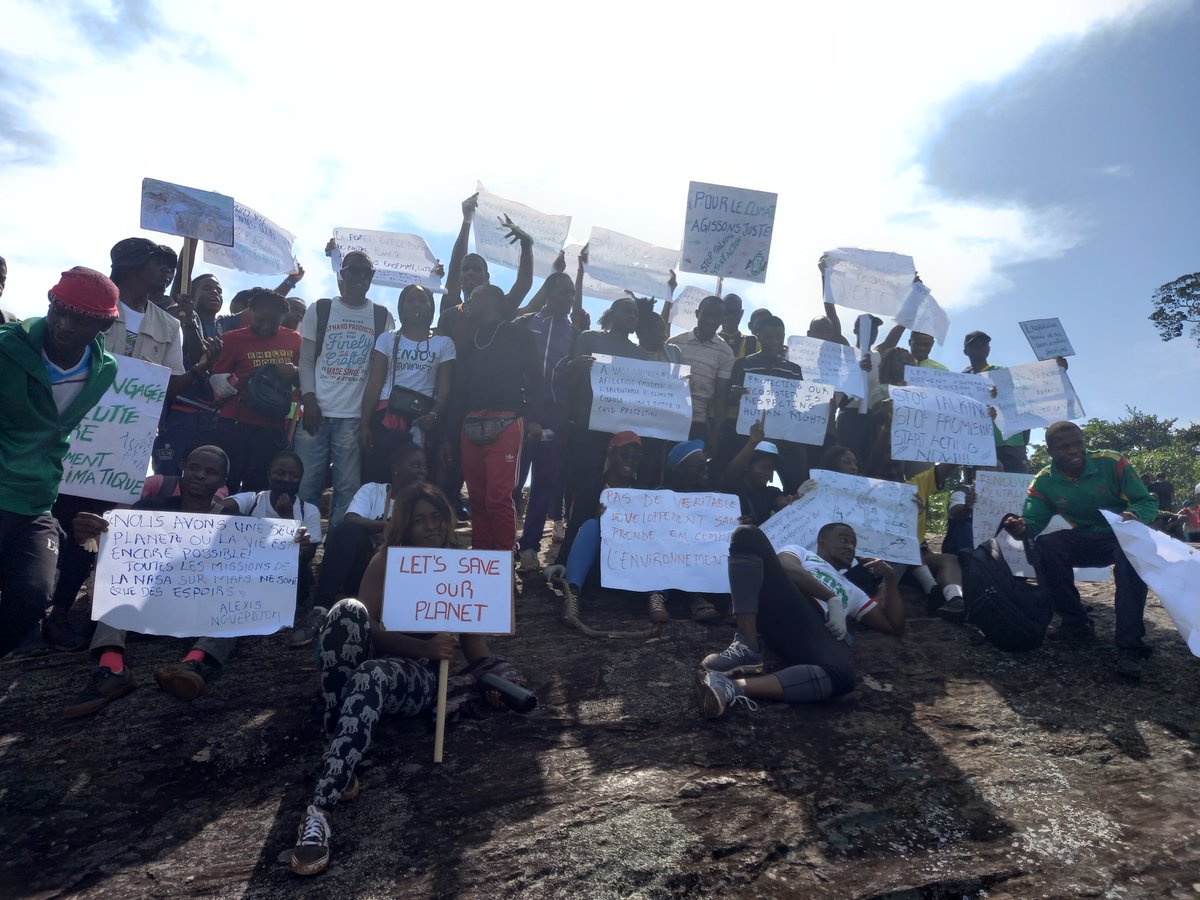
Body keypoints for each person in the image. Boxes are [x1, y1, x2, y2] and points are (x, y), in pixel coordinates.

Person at [288, 483, 527, 876]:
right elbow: (369, 630)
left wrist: (495, 676)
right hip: (382, 665)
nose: (430, 527)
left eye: (436, 517)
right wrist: (425, 646)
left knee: (371, 674)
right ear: (406, 526)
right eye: (420, 520)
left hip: (418, 682)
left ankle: (320, 805)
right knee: (346, 611)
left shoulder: (461, 563)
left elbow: (473, 646)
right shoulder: (388, 560)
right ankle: (341, 738)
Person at [44, 243, 219, 649]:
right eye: (160, 264)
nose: (167, 272)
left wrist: (199, 370)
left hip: (122, 445)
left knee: (94, 528)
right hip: (69, 431)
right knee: (49, 516)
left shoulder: (168, 324)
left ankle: (60, 612)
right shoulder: (92, 305)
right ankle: (32, 597)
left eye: (170, 266)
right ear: (131, 265)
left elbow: (168, 387)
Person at [62, 446, 244, 716]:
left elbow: (252, 569)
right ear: (182, 467)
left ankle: (194, 664)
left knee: (241, 600)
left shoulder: (234, 522)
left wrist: (291, 546)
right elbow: (110, 551)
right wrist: (87, 534)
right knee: (117, 583)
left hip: (199, 611)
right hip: (146, 608)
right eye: (194, 467)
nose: (200, 475)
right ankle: (112, 668)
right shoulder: (147, 509)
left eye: (210, 472)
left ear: (222, 481)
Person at [0, 267, 119, 657]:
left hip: (37, 503)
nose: (64, 325)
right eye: (58, 311)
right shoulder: (5, 349)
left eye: (80, 318)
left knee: (33, 597)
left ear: (102, 325)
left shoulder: (105, 371)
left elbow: (57, 431)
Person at [697, 522, 903, 718]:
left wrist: (891, 579)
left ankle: (729, 687)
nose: (850, 547)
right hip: (781, 603)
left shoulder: (854, 591)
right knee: (747, 534)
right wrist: (831, 598)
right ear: (822, 541)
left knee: (844, 677)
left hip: (811, 631)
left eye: (853, 543)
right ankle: (748, 646)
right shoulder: (802, 553)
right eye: (844, 539)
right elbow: (786, 567)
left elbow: (893, 625)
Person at [1002, 421, 1159, 677]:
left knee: (1129, 559)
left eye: (1077, 444)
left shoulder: (1112, 462)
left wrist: (1134, 513)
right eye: (1064, 447)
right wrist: (1021, 527)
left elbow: (1147, 501)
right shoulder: (1044, 481)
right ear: (1050, 451)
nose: (1073, 451)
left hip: (1123, 536)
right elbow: (1034, 522)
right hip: (1087, 538)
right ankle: (1077, 624)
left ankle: (1129, 644)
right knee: (1044, 547)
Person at [296, 251, 395, 528]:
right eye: (354, 270)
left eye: (366, 272)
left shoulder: (382, 317)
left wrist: (368, 419)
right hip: (316, 412)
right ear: (343, 273)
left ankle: (335, 554)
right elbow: (305, 360)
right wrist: (309, 398)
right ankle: (305, 548)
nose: (360, 277)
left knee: (348, 490)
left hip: (354, 418)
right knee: (306, 486)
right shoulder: (321, 308)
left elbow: (382, 370)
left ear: (372, 277)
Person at [305, 436, 429, 645]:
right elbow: (351, 518)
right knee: (346, 532)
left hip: (399, 577)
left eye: (425, 467)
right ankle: (320, 609)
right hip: (364, 569)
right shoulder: (373, 490)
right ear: (396, 468)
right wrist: (387, 527)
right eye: (416, 465)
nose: (422, 471)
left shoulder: (425, 503)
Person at [448, 284, 544, 552]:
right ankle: (481, 564)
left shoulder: (518, 334)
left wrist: (535, 419)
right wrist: (452, 432)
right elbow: (460, 390)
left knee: (498, 498)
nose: (468, 302)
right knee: (477, 498)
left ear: (491, 300)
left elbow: (536, 379)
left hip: (508, 420)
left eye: (474, 296)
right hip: (470, 424)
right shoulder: (469, 342)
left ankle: (502, 569)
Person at [513, 271, 580, 572]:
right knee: (512, 482)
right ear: (549, 291)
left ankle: (529, 548)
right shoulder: (525, 323)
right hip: (521, 412)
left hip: (556, 415)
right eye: (563, 292)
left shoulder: (576, 335)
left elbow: (576, 381)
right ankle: (502, 543)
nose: (567, 299)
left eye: (571, 294)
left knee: (545, 483)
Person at [543, 432, 646, 626]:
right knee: (591, 525)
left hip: (632, 562)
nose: (629, 461)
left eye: (635, 457)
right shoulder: (590, 487)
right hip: (598, 565)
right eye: (624, 454)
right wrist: (561, 561)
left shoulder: (643, 490)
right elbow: (575, 526)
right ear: (611, 454)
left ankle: (656, 596)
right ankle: (572, 594)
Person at [208, 288, 301, 494]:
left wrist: (295, 371)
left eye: (273, 322)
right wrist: (216, 380)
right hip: (235, 421)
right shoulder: (233, 338)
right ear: (251, 311)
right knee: (226, 483)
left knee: (260, 486)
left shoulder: (295, 339)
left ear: (283, 318)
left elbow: (304, 378)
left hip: (272, 424)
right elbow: (219, 373)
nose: (266, 326)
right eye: (260, 320)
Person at [221, 449, 322, 636]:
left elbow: (307, 556)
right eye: (280, 473)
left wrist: (288, 519)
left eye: (294, 475)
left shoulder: (309, 511)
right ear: (269, 475)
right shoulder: (253, 500)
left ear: (301, 478)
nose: (286, 479)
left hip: (289, 578)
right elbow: (221, 510)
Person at [716, 314, 808, 493]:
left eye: (779, 337)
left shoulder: (794, 369)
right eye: (769, 337)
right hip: (749, 437)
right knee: (744, 481)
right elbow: (730, 399)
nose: (775, 341)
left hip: (785, 439)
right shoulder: (743, 364)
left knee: (796, 485)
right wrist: (736, 393)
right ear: (758, 336)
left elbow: (800, 405)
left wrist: (822, 404)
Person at [153, 273, 225, 475]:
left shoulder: (225, 326)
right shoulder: (177, 318)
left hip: (211, 420)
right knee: (168, 478)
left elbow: (265, 306)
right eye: (207, 288)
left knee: (203, 479)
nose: (215, 293)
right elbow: (194, 356)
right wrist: (190, 245)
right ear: (190, 295)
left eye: (219, 290)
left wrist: (291, 281)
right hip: (178, 416)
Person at [667, 294, 735, 448]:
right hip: (669, 416)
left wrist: (715, 434)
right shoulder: (674, 342)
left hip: (697, 421)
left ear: (723, 320)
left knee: (691, 469)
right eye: (706, 314)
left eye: (716, 316)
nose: (710, 320)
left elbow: (720, 396)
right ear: (697, 314)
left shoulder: (726, 353)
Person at [961, 330, 1029, 474]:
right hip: (976, 444)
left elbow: (1023, 399)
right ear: (965, 351)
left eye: (984, 344)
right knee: (977, 492)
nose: (980, 346)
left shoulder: (1002, 372)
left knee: (1014, 490)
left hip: (1009, 443)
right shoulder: (961, 380)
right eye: (975, 345)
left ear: (989, 349)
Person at [719, 294, 758, 360]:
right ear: (721, 312)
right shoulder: (710, 341)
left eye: (735, 312)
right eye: (727, 312)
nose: (730, 317)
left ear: (741, 313)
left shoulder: (754, 343)